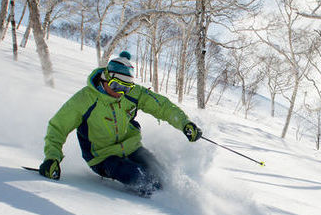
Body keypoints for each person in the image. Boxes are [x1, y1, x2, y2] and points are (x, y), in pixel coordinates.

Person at [38, 51, 202, 195]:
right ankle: (165, 207)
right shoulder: (85, 100)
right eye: (116, 86)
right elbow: (57, 127)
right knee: (140, 177)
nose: (120, 93)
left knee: (162, 173)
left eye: (126, 88)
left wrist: (184, 123)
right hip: (103, 157)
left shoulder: (131, 94)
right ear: (106, 78)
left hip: (132, 148)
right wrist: (52, 158)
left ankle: (184, 204)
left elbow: (162, 107)